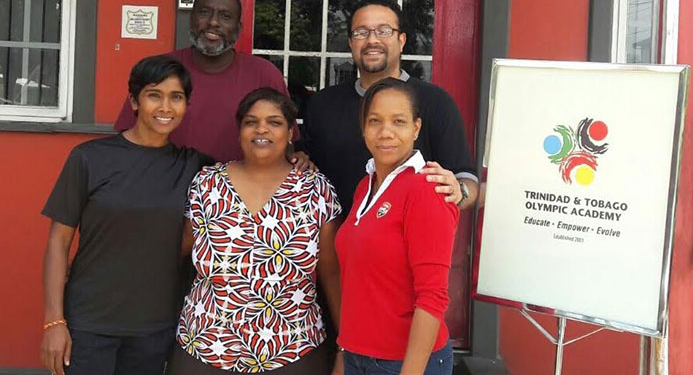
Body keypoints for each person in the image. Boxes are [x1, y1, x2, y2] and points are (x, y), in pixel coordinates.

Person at [40, 55, 212, 375]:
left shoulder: (197, 167)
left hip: (154, 329)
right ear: (134, 101)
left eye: (176, 97)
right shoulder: (90, 158)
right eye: (153, 95)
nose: (165, 107)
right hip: (89, 324)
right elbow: (57, 243)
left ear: (186, 105)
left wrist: (298, 158)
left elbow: (251, 176)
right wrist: (54, 321)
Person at [167, 88, 342, 375]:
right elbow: (177, 251)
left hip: (293, 349)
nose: (261, 128)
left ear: (289, 133)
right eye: (251, 122)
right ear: (239, 132)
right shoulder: (208, 184)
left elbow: (331, 272)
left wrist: (344, 344)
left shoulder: (315, 190)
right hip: (205, 345)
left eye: (274, 122)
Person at [301, 0, 478, 215]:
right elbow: (304, 164)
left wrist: (459, 191)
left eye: (384, 31)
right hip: (331, 241)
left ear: (401, 40)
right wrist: (297, 159)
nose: (372, 40)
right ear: (350, 42)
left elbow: (466, 179)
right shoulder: (322, 104)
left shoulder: (436, 102)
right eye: (361, 32)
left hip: (408, 244)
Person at [335, 78, 458, 375]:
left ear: (416, 128)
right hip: (357, 356)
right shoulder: (366, 185)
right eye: (375, 121)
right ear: (363, 127)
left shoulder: (425, 189)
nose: (385, 132)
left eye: (398, 121)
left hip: (405, 363)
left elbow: (433, 297)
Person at [114, 0, 289, 163]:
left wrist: (298, 159)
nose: (213, 22)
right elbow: (127, 140)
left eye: (225, 16)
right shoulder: (159, 69)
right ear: (192, 18)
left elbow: (287, 143)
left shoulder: (265, 74)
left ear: (238, 27)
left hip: (240, 188)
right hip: (165, 186)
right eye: (205, 13)